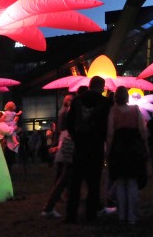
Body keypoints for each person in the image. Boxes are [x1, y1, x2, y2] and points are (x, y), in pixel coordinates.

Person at [65, 75, 111, 223]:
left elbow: (70, 122)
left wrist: (76, 137)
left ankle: (71, 215)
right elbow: (106, 126)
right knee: (94, 182)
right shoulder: (104, 102)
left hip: (79, 145)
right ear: (100, 86)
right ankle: (91, 214)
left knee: (75, 182)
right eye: (103, 87)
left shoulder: (77, 101)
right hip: (95, 145)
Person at [107, 86, 148, 225]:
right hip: (133, 147)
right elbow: (142, 130)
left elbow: (110, 133)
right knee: (132, 182)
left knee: (120, 181)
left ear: (115, 97)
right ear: (126, 97)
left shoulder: (113, 111)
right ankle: (131, 215)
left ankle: (122, 214)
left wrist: (108, 151)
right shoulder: (135, 110)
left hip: (118, 147)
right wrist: (145, 147)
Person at [41, 96, 74, 219]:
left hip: (65, 145)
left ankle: (56, 202)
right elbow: (63, 132)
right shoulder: (66, 114)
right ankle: (50, 205)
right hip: (68, 145)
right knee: (64, 175)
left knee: (64, 175)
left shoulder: (64, 114)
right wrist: (58, 145)